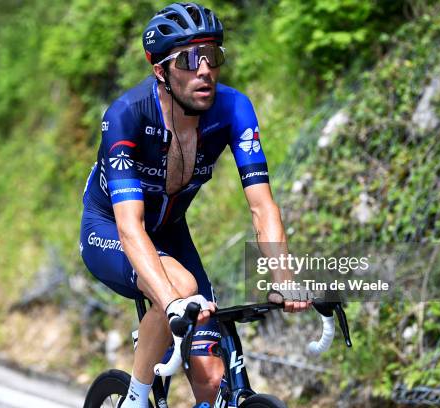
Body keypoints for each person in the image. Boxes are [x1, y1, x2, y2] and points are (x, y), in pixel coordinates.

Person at [79, 2, 311, 406]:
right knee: (182, 288)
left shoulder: (233, 109)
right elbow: (130, 227)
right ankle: (135, 398)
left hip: (171, 232)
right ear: (160, 71)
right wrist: (169, 303)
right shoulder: (126, 116)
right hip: (111, 230)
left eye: (212, 56)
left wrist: (284, 278)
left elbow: (262, 206)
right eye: (189, 59)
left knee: (210, 374)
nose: (205, 69)